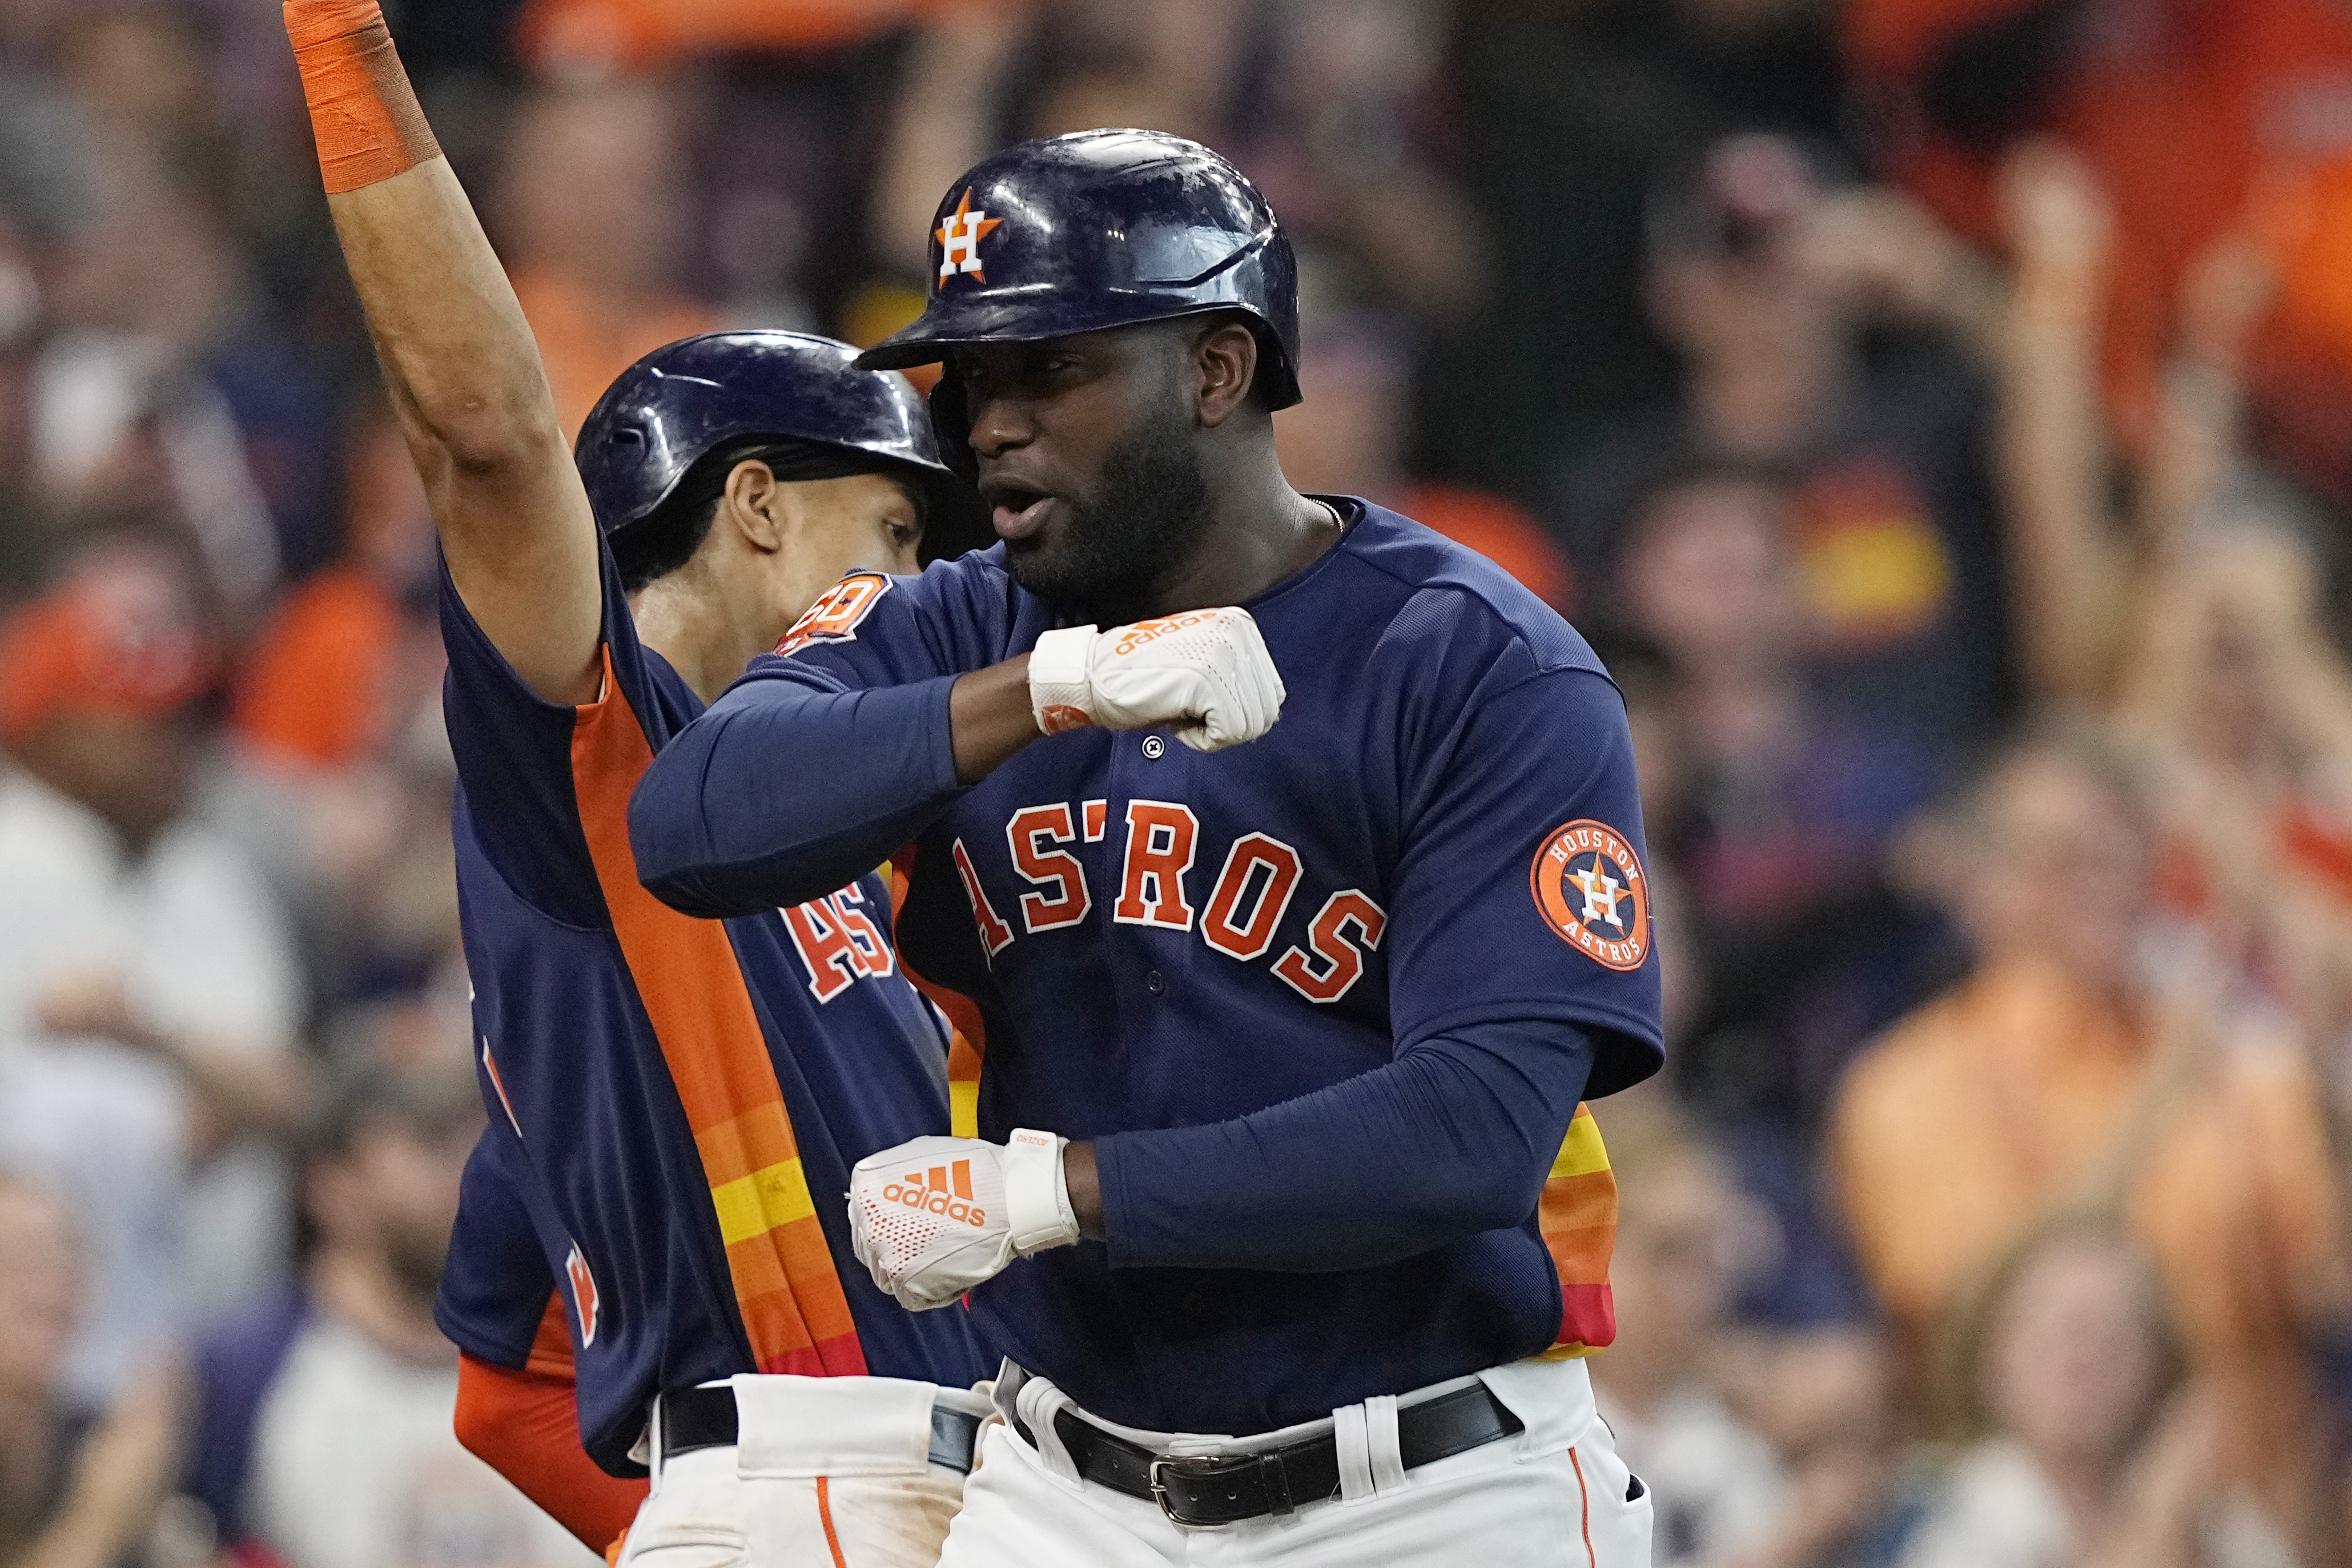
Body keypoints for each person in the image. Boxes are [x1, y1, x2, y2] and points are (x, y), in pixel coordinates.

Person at [630, 128, 1662, 1565]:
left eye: (1048, 369)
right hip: (1066, 1493)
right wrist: (1053, 688)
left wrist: (1054, 1194)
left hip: (1433, 1491)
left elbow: (1472, 1133)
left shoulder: (1477, 663)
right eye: (973, 379)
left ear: (1217, 370)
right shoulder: (967, 628)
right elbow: (690, 819)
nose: (988, 423)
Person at [277, 5, 993, 1564]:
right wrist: (344, 42)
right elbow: (484, 435)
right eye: (883, 531)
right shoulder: (602, 746)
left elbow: (506, 1384)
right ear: (748, 504)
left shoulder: (830, 854)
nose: (908, 584)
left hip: (942, 1498)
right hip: (804, 1482)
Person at [1828, 729, 2346, 1541]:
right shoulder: (1907, 1085)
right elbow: (1978, 1309)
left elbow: (2322, 1283)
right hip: (2028, 1531)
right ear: (1976, 884)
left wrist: (2328, 1078)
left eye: (2127, 851)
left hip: (2252, 1518)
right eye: (2062, 858)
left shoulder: (2241, 1061)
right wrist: (2164, 1089)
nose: (2104, 884)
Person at [184, 1070, 592, 1568]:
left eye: (482, 1140)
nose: (469, 1170)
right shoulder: (243, 1371)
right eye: (431, 1142)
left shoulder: (579, 1352)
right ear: (335, 1189)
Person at [1896, 1219, 2296, 1568]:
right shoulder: (1942, 1518)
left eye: (2111, 1333)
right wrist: (2159, 1517)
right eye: (2053, 1328)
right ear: (1992, 1363)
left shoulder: (2221, 1523)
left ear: (2160, 1368)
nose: (2081, 1356)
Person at [0, 1173, 181, 1568]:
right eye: (22, 1256)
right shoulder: (111, 1471)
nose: (53, 1282)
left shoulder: (90, 1440)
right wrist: (98, 1521)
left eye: (70, 1257)